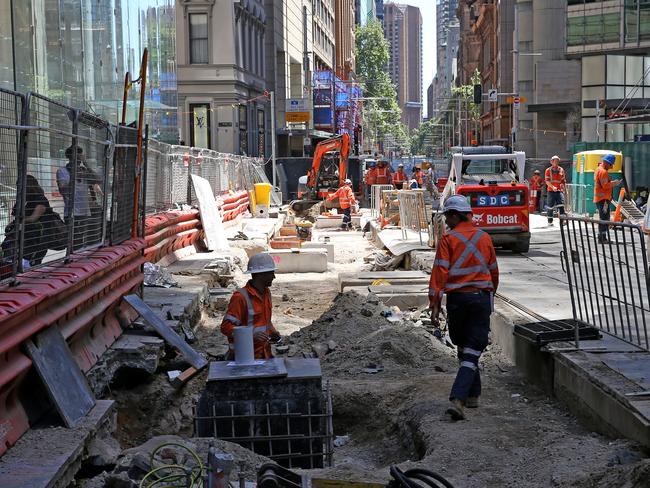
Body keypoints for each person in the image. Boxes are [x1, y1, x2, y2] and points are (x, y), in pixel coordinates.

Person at [429, 195, 499, 421]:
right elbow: (494, 271)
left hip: (458, 300)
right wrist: (490, 295)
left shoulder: (448, 240)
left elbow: (439, 273)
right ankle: (474, 395)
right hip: (480, 299)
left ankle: (457, 400)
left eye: (447, 216)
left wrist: (435, 305)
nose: (446, 221)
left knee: (468, 350)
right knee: (467, 348)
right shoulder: (485, 237)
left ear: (455, 215)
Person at [220, 253, 281, 360]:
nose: (274, 276)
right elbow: (225, 327)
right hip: (244, 357)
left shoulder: (266, 293)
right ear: (260, 274)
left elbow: (265, 321)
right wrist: (249, 335)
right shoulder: (240, 298)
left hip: (264, 354)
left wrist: (273, 332)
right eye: (271, 273)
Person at [2, 175, 58, 267]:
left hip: (37, 240)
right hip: (21, 238)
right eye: (17, 186)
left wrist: (19, 222)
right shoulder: (22, 200)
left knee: (29, 263)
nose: (18, 188)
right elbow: (15, 217)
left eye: (20, 186)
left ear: (28, 186)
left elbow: (33, 218)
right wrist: (12, 224)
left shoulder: (40, 199)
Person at [56, 145, 103, 249]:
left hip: (85, 211)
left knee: (83, 241)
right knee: (72, 242)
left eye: (79, 157)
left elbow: (98, 180)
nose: (77, 160)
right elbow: (62, 190)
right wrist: (74, 176)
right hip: (71, 211)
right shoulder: (62, 171)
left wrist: (86, 164)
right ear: (69, 157)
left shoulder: (84, 170)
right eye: (75, 157)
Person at [594, 154, 622, 244]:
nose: (611, 167)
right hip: (603, 199)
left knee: (604, 218)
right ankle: (602, 238)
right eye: (611, 165)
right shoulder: (603, 172)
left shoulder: (598, 169)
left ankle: (602, 237)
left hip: (601, 198)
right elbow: (605, 186)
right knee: (604, 218)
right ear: (606, 163)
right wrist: (615, 183)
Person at [544, 155, 566, 225]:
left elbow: (563, 181)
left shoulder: (561, 170)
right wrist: (553, 187)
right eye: (555, 161)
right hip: (551, 191)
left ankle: (562, 221)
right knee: (550, 206)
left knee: (561, 205)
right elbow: (547, 181)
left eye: (557, 161)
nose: (556, 162)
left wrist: (564, 188)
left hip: (559, 191)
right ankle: (550, 221)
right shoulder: (548, 170)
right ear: (551, 162)